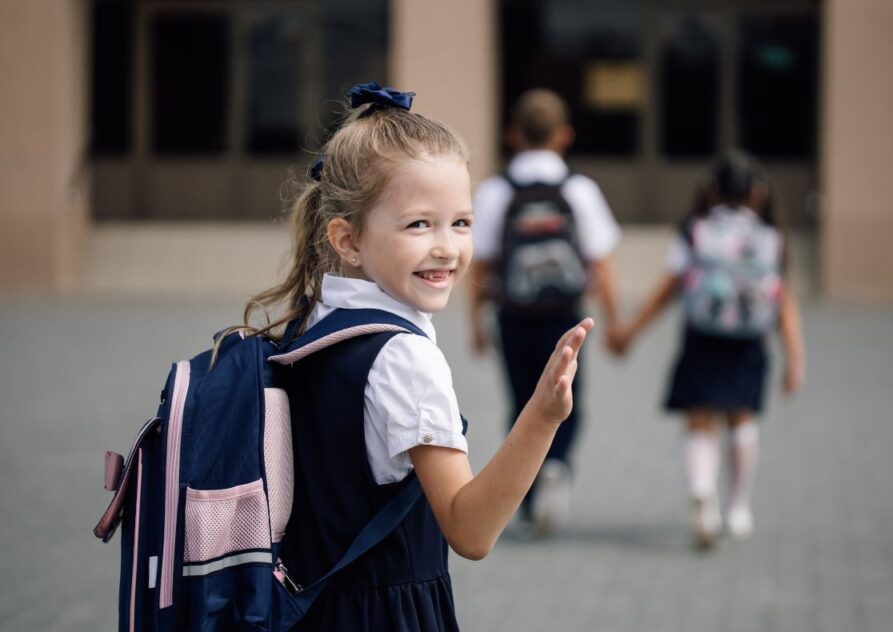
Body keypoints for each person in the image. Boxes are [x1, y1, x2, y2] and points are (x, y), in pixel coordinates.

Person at [232, 82, 592, 630]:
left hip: (313, 606)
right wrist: (542, 417)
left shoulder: (319, 319)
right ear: (347, 239)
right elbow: (470, 531)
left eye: (461, 222)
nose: (447, 246)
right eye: (419, 224)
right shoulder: (403, 357)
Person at [609, 152, 805, 549]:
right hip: (749, 339)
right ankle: (738, 507)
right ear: (758, 192)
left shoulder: (695, 230)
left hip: (702, 336)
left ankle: (702, 492)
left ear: (711, 189)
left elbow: (669, 288)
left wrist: (631, 331)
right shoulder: (770, 237)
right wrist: (795, 359)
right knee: (742, 417)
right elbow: (784, 302)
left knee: (700, 420)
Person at [468, 88, 621, 535]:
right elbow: (600, 262)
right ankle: (557, 463)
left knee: (521, 402)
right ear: (564, 135)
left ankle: (529, 497)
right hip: (567, 316)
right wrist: (614, 323)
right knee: (568, 399)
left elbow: (482, 263)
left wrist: (475, 323)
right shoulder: (579, 190)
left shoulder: (496, 191)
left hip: (512, 314)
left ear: (513, 135)